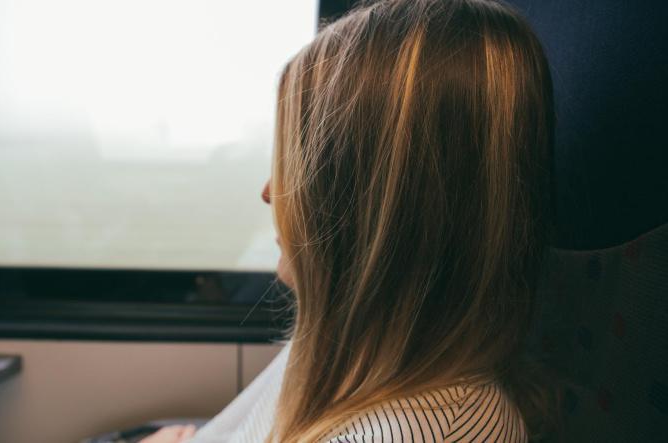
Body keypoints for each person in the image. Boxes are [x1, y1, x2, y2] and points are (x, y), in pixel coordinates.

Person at [143, 0, 558, 441]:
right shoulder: (352, 349)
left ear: (376, 213)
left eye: (301, 170)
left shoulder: (423, 431)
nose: (271, 192)